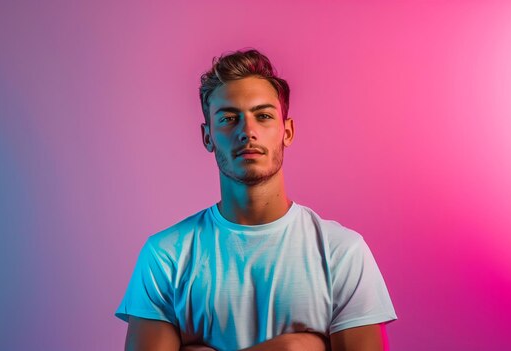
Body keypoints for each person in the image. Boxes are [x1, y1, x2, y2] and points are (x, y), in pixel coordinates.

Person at [115, 49, 397, 351]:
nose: (247, 132)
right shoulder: (166, 256)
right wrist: (295, 348)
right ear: (208, 137)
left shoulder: (341, 253)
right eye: (228, 118)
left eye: (263, 116)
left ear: (286, 131)